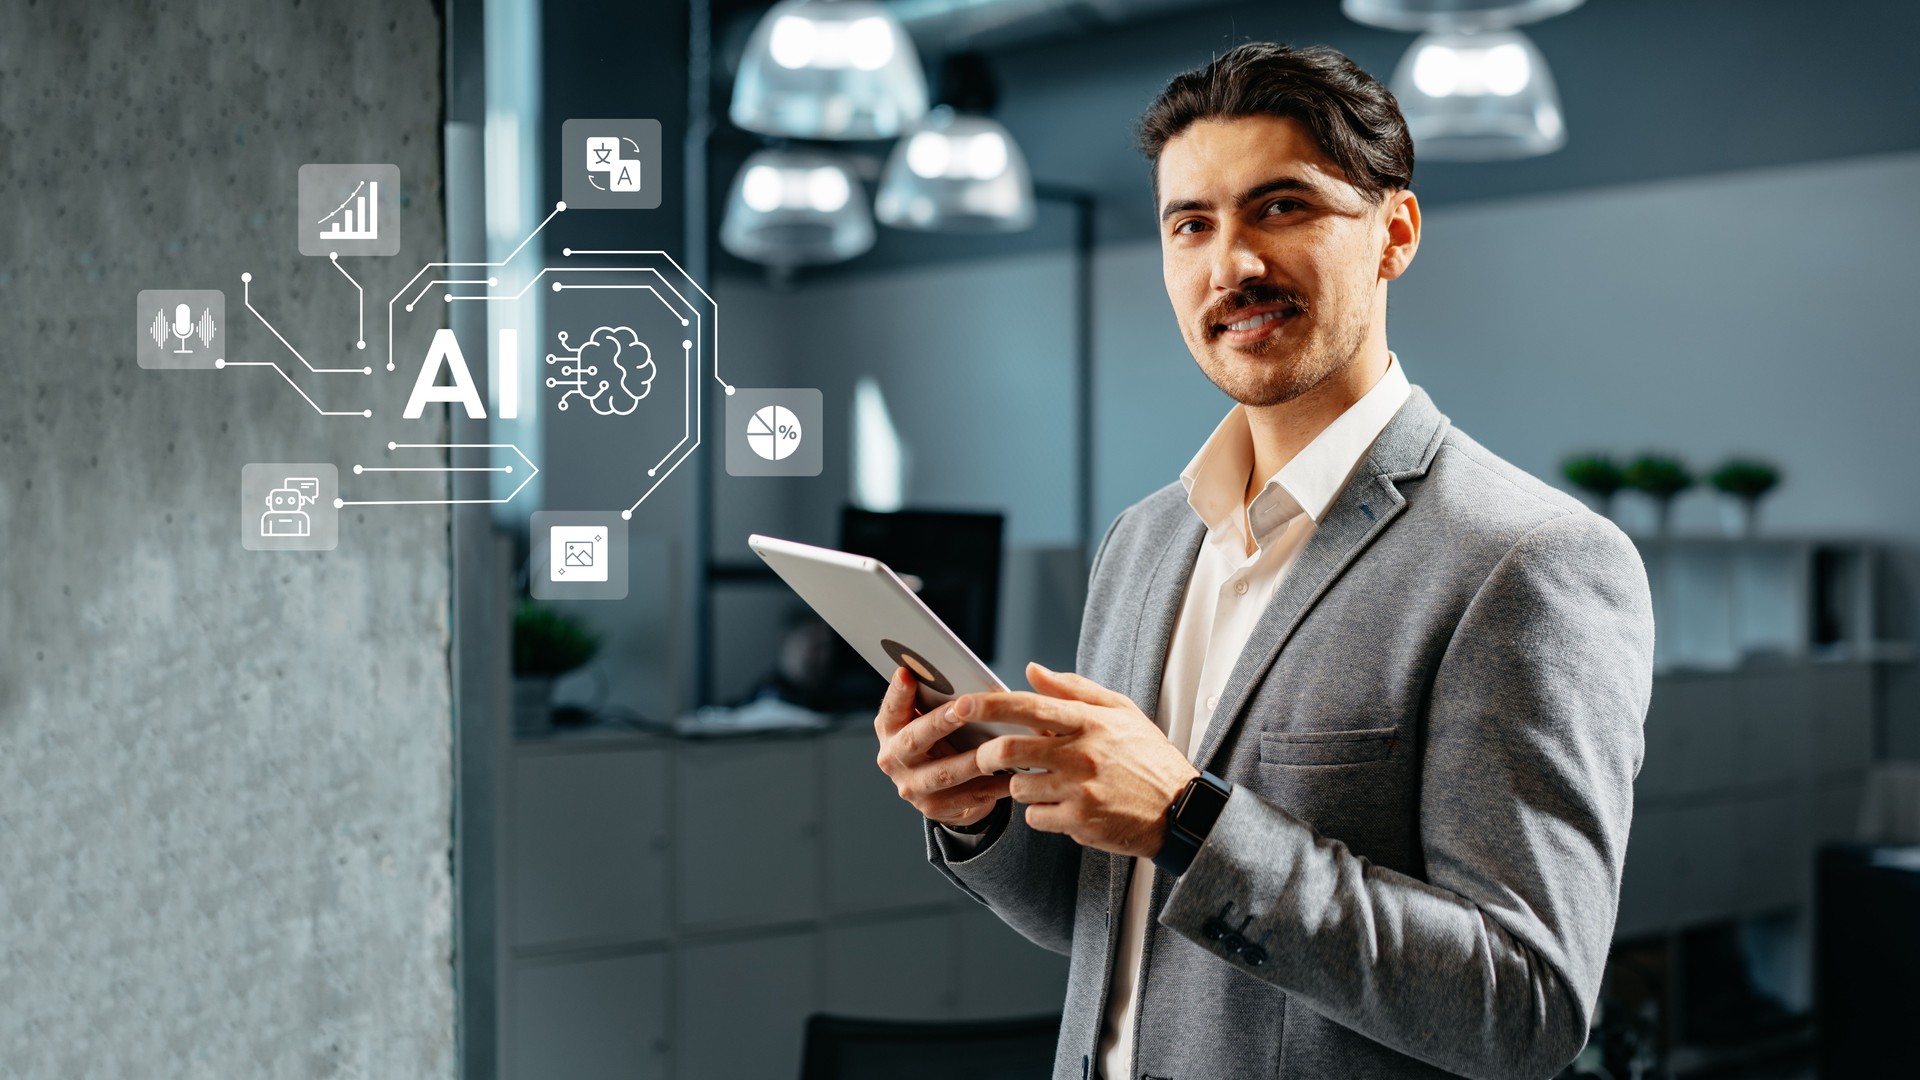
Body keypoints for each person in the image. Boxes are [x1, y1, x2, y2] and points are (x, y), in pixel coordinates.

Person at [870, 41, 1655, 1080]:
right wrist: (979, 818)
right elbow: (1111, 918)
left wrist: (1189, 819)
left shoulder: (1529, 562)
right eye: (1192, 224)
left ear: (1396, 232)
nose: (1232, 264)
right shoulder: (1145, 543)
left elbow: (1522, 1007)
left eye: (1281, 207)